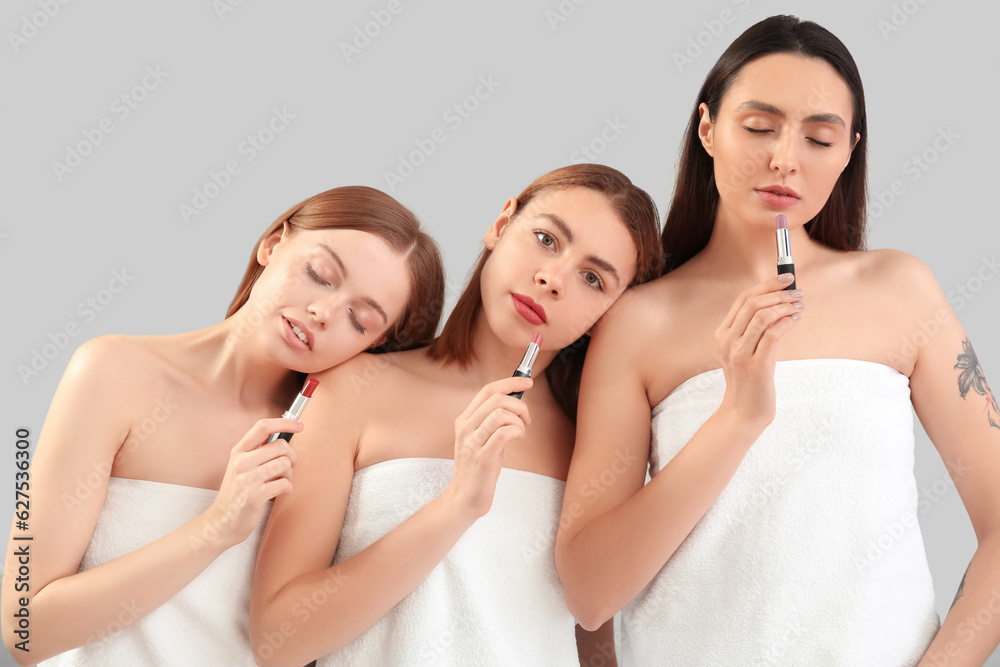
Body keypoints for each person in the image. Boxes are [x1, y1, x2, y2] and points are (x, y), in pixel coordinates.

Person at [554, 14, 1000, 666]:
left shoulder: (901, 290)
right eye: (759, 127)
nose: (784, 158)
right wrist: (738, 416)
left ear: (850, 150)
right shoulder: (636, 321)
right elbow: (590, 592)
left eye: (819, 137)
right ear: (707, 129)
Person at [1, 186, 445, 666]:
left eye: (359, 321)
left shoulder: (327, 443)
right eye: (318, 274)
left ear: (376, 347)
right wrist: (216, 528)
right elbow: (25, 630)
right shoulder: (112, 371)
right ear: (273, 243)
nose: (323, 312)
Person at [249, 164, 664, 666]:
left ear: (611, 312)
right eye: (545, 239)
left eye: (593, 279)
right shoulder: (353, 390)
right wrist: (457, 505)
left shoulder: (591, 445)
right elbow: (280, 638)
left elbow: (589, 629)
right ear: (501, 222)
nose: (552, 279)